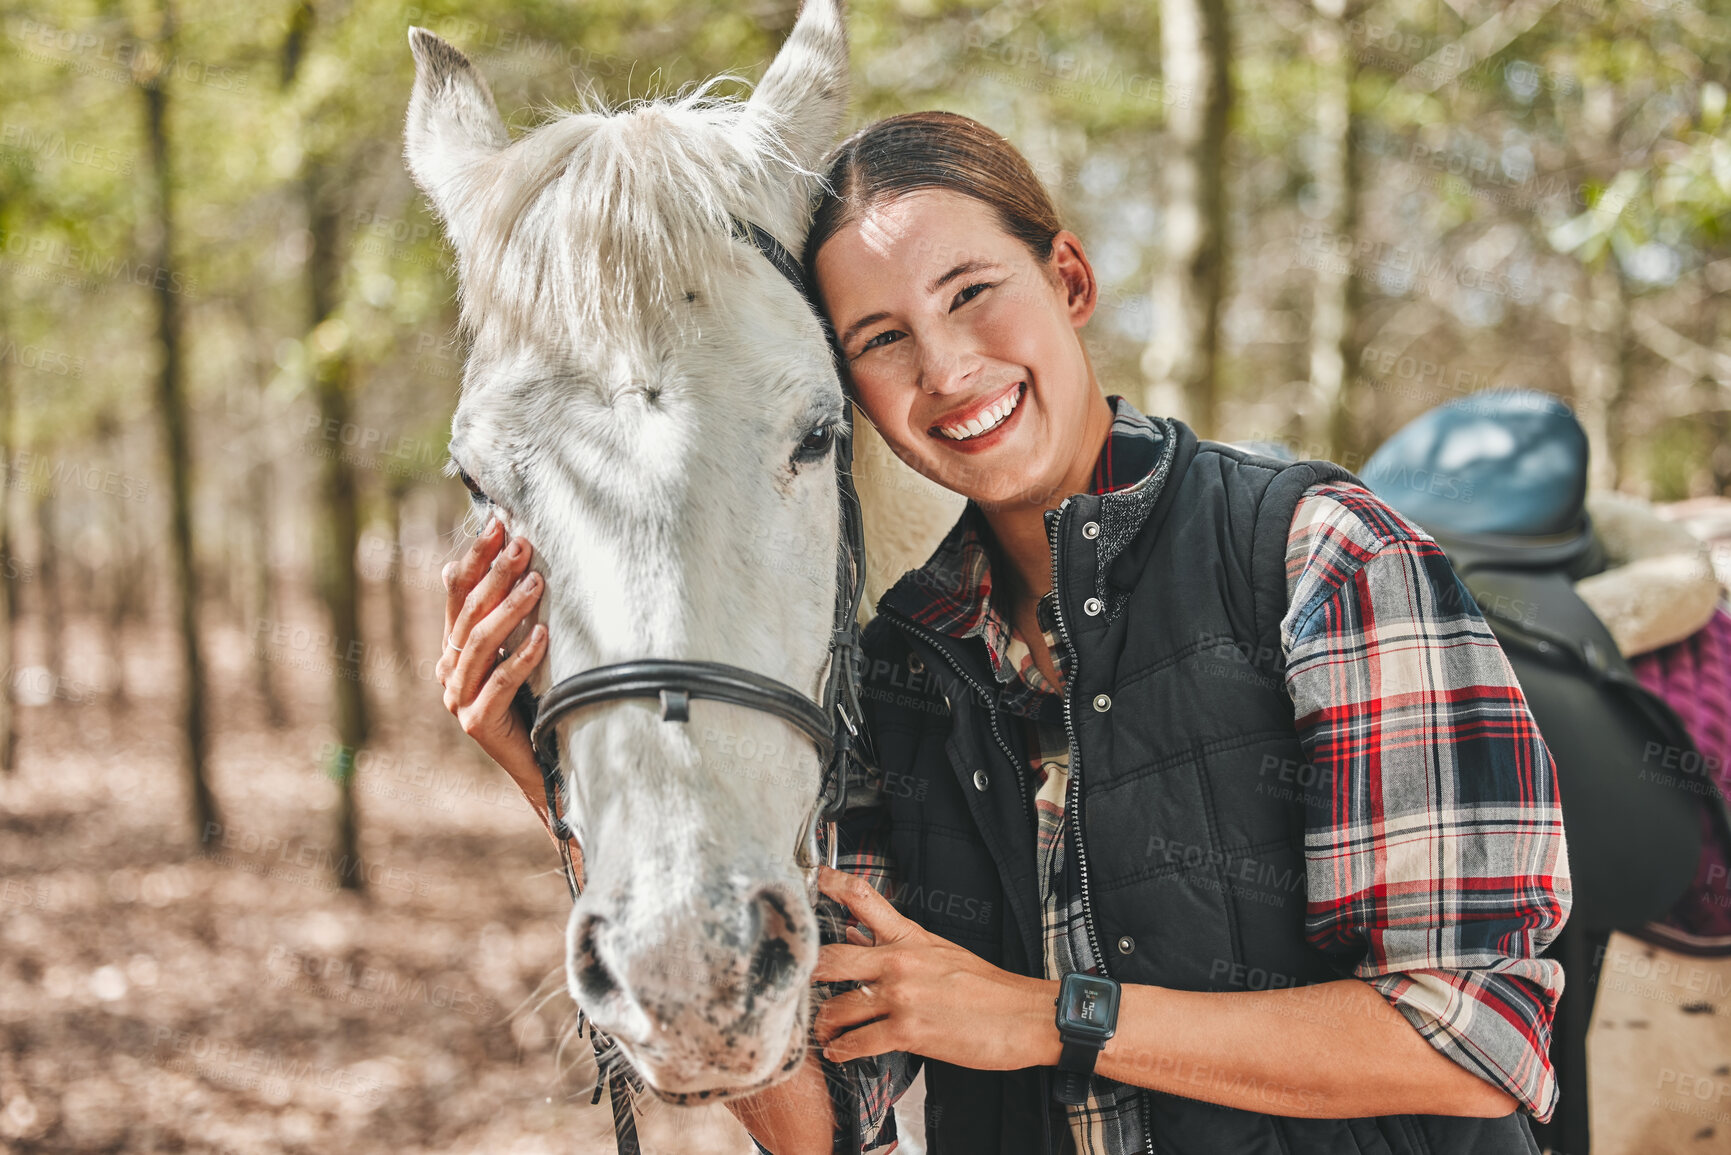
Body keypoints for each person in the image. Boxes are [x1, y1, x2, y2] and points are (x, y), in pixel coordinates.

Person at [437, 111, 1570, 1155]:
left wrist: (1047, 1019)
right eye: (881, 339)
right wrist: (568, 798)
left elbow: (1471, 1036)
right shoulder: (890, 666)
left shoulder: (1325, 558)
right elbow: (824, 1125)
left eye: (972, 292)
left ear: (1067, 277)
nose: (945, 369)